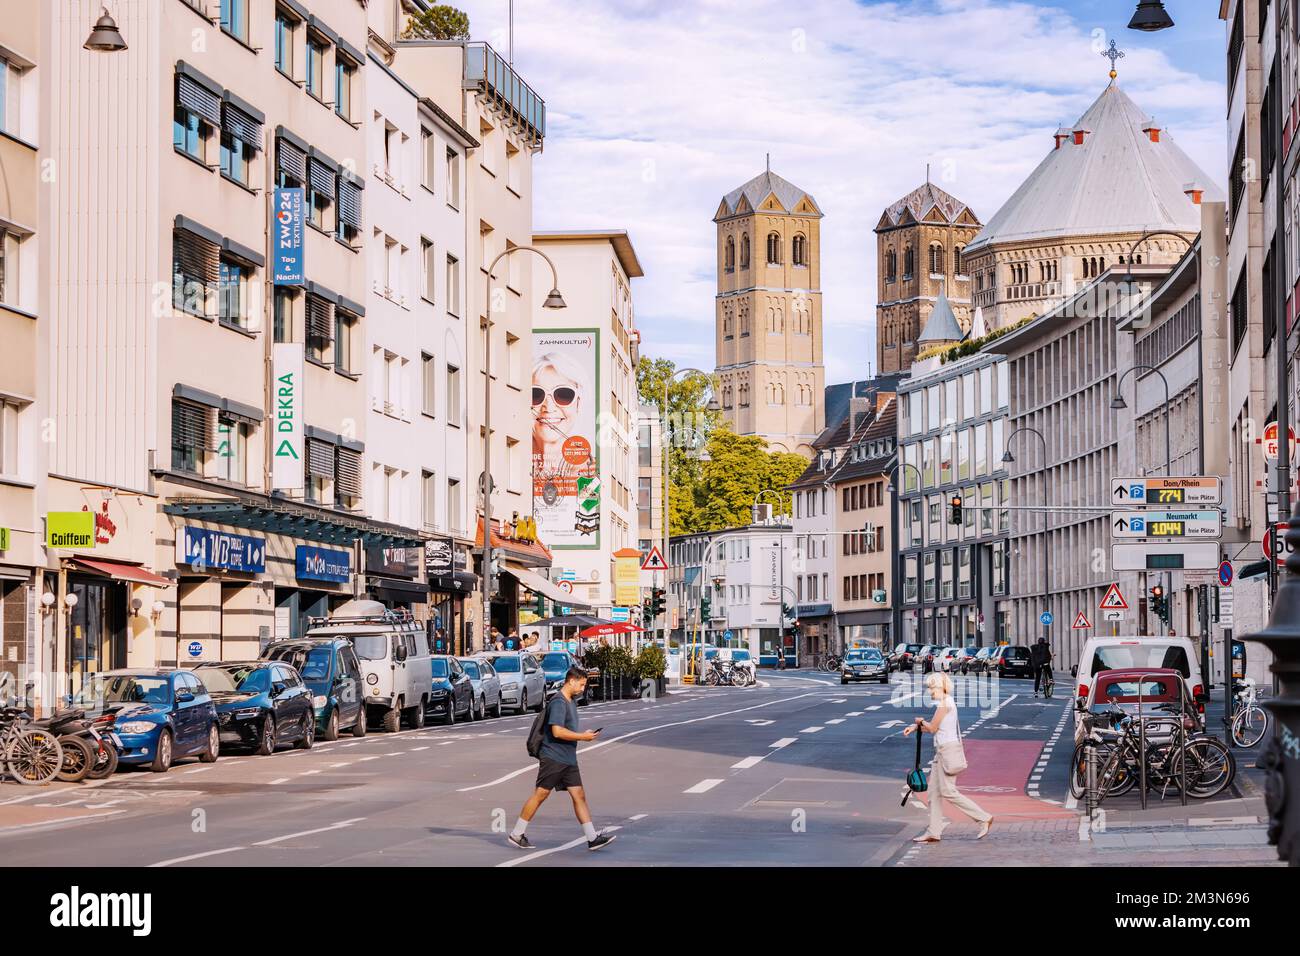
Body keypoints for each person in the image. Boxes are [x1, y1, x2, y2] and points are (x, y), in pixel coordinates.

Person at [508, 666, 616, 852]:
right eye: (581, 685)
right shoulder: (559, 702)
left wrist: (583, 734)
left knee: (579, 795)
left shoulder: (570, 701)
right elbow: (557, 732)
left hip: (568, 758)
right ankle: (517, 834)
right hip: (553, 757)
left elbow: (566, 729)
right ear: (571, 681)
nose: (583, 689)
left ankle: (592, 838)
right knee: (540, 795)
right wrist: (583, 737)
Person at [904, 672, 992, 843]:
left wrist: (920, 722)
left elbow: (933, 727)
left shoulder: (945, 704)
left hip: (947, 751)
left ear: (940, 686)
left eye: (932, 687)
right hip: (941, 752)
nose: (930, 692)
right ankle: (934, 831)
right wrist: (915, 727)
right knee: (933, 793)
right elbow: (934, 727)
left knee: (948, 792)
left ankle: (983, 818)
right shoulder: (945, 703)